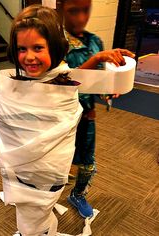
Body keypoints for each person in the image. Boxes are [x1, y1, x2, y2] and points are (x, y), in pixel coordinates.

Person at [0, 5, 83, 236]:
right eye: (22, 48)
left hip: (47, 173)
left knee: (34, 218)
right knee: (32, 215)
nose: (29, 56)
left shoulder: (63, 84)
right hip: (19, 171)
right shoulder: (14, 84)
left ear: (54, 47)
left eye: (38, 47)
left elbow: (90, 80)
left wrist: (105, 62)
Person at [60, 0, 135, 218]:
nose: (81, 18)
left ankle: (78, 194)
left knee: (87, 161)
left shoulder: (95, 41)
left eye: (85, 10)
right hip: (60, 116)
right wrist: (96, 59)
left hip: (86, 115)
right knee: (54, 161)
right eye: (73, 11)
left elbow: (98, 81)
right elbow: (63, 81)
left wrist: (109, 91)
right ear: (62, 9)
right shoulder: (53, 41)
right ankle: (43, 198)